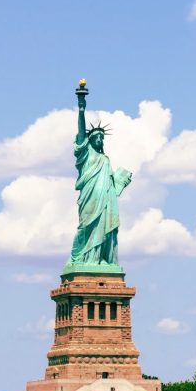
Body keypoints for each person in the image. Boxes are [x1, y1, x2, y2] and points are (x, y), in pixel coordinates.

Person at [67, 83, 131, 267]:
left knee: (106, 226)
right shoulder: (85, 153)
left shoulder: (105, 159)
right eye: (96, 136)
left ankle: (102, 259)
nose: (100, 139)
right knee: (87, 226)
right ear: (90, 139)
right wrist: (81, 108)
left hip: (107, 199)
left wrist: (120, 182)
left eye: (102, 137)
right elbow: (81, 132)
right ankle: (85, 258)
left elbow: (112, 183)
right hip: (91, 195)